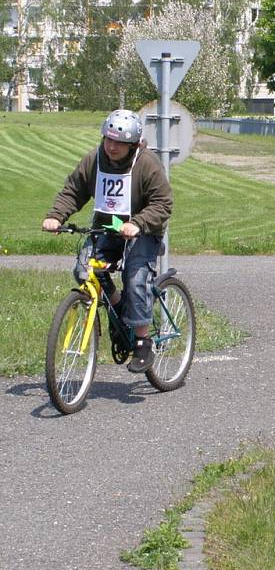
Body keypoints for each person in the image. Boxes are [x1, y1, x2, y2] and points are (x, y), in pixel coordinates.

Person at [42, 109, 173, 373]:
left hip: (144, 230)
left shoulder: (146, 163)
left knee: (135, 278)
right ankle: (119, 307)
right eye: (108, 139)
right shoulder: (94, 160)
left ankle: (142, 341)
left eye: (119, 142)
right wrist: (56, 216)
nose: (111, 146)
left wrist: (137, 223)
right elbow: (74, 190)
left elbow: (163, 203)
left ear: (133, 144)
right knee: (84, 270)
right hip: (106, 228)